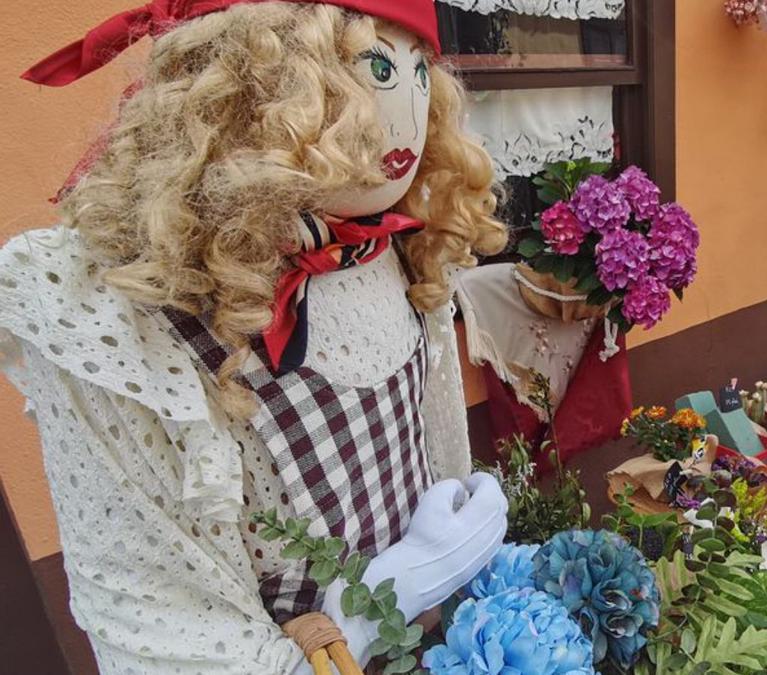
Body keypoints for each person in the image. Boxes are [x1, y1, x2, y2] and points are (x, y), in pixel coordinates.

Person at [1, 1, 510, 672]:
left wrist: (462, 535)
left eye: (421, 76)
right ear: (257, 80)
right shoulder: (124, 316)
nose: (411, 124)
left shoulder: (395, 252)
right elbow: (160, 630)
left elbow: (433, 441)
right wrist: (382, 596)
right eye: (377, 69)